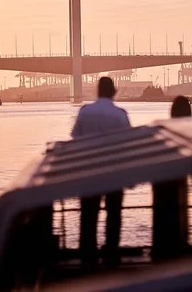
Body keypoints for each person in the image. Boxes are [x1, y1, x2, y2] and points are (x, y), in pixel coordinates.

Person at [71, 77, 131, 268]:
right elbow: (127, 145)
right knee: (114, 214)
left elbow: (76, 139)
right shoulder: (120, 115)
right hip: (115, 172)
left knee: (88, 215)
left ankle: (88, 253)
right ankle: (111, 251)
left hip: (89, 171)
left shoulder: (85, 111)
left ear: (97, 91)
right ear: (114, 91)